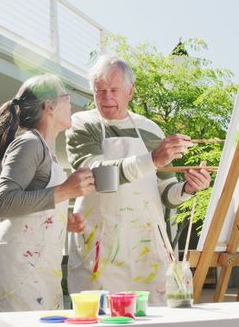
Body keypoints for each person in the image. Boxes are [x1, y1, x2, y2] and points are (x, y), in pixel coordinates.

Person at [65, 55, 212, 304]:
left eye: (114, 90)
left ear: (130, 91)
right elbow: (95, 174)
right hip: (100, 245)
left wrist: (188, 188)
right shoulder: (81, 123)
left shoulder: (151, 129)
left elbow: (166, 192)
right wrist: (151, 160)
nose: (106, 98)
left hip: (146, 248)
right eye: (99, 91)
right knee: (101, 316)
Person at [0, 74, 95, 322]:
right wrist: (66, 191)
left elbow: (34, 204)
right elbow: (3, 203)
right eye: (67, 97)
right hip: (20, 272)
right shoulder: (29, 144)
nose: (71, 103)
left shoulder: (47, 149)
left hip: (42, 269)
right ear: (49, 106)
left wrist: (64, 219)